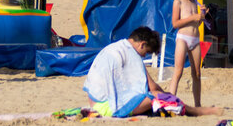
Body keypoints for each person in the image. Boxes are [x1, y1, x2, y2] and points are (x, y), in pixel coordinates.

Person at [84, 26, 223, 117]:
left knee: (156, 96)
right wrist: (168, 95)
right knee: (159, 96)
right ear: (142, 44)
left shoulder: (115, 47)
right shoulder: (132, 53)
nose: (144, 56)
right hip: (107, 106)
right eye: (147, 52)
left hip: (94, 100)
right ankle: (197, 111)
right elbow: (152, 87)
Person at [167, 0, 208, 106]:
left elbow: (197, 23)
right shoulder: (178, 2)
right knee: (178, 70)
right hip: (183, 38)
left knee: (196, 73)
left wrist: (201, 16)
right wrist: (192, 17)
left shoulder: (194, 2)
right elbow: (175, 23)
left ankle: (198, 104)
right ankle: (170, 102)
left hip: (195, 39)